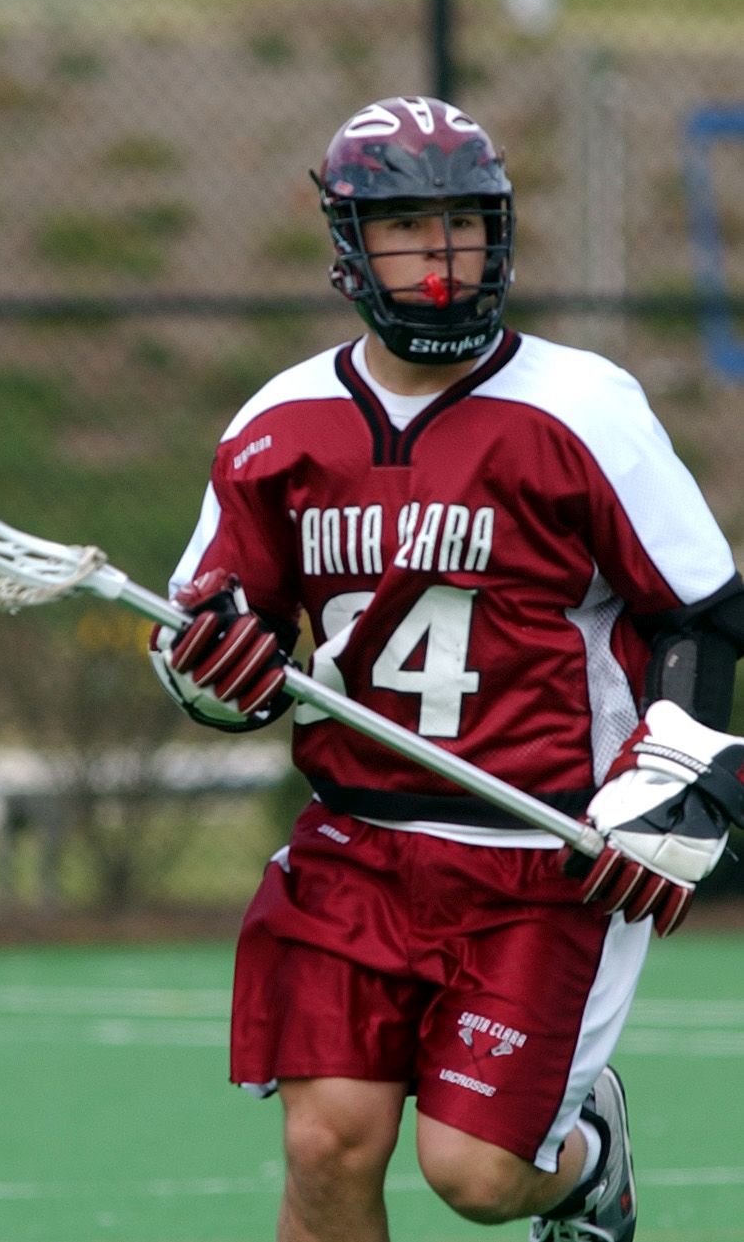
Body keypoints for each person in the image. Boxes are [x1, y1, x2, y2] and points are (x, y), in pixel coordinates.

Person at [149, 96, 744, 1242]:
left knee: (474, 1174)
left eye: (462, 225)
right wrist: (214, 670)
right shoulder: (281, 424)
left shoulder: (578, 407)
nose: (440, 257)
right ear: (348, 244)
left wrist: (674, 761)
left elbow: (698, 610)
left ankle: (587, 1161)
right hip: (356, 842)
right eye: (406, 227)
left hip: (544, 848)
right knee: (325, 1145)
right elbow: (213, 624)